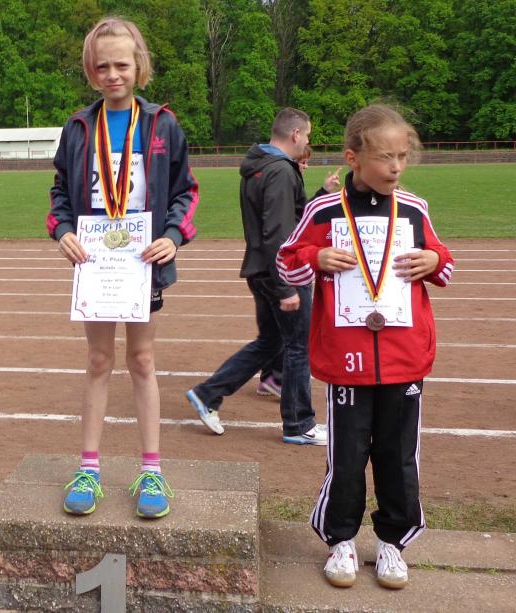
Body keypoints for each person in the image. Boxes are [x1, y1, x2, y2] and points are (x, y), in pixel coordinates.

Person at [277, 103, 454, 589]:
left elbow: (445, 264)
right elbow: (287, 262)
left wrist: (432, 261)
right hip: (347, 358)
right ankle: (341, 539)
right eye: (384, 157)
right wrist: (316, 256)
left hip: (404, 356)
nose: (396, 167)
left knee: (399, 456)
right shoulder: (324, 210)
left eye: (403, 156)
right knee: (348, 456)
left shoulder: (414, 208)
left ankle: (394, 542)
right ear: (353, 158)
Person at [47, 16, 198, 518]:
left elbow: (186, 191)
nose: (113, 74)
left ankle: (152, 470)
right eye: (102, 66)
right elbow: (59, 193)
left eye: (122, 65)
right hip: (96, 262)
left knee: (142, 360)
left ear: (139, 67)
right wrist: (62, 231)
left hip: (141, 262)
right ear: (91, 71)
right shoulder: (77, 127)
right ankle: (88, 468)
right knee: (97, 361)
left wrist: (172, 236)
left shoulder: (162, 124)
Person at [185, 108, 325, 445]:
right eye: (306, 135)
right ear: (295, 134)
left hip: (260, 268)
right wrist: (285, 286)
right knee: (297, 347)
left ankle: (208, 393)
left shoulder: (260, 166)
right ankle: (299, 424)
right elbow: (277, 232)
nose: (307, 141)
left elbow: (282, 220)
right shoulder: (280, 171)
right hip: (280, 272)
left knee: (271, 342)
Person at [256, 146, 341, 398]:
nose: (305, 167)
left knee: (276, 331)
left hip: (268, 266)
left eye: (306, 163)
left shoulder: (284, 177)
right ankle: (213, 390)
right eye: (302, 162)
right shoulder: (283, 178)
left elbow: (301, 214)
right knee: (295, 335)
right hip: (281, 266)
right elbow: (294, 223)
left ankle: (269, 377)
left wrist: (324, 190)